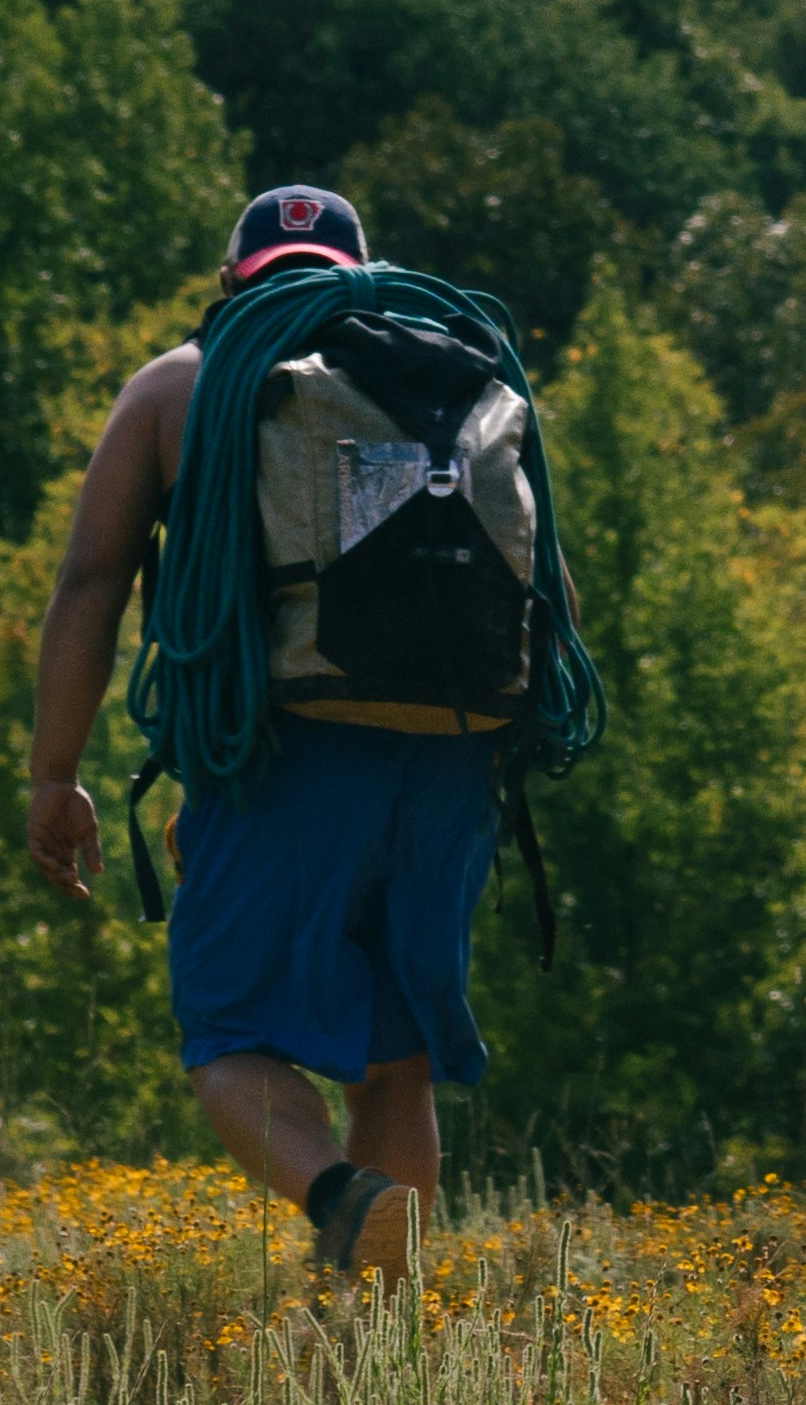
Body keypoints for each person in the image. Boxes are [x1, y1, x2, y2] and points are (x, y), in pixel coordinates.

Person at [27, 181, 497, 1282]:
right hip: (450, 757)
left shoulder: (180, 384)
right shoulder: (450, 385)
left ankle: (341, 1198)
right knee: (395, 1060)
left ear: (232, 285)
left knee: (229, 1036)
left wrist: (55, 772)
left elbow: (93, 578)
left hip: (288, 751)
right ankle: (389, 1351)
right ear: (363, 277)